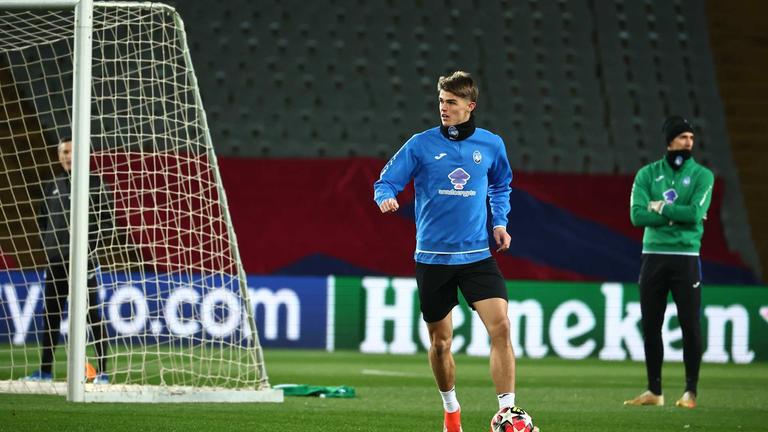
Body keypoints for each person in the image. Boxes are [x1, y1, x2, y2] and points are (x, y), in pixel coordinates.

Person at [374, 71, 532, 432]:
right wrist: (385, 197)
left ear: (469, 106)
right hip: (433, 259)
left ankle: (507, 411)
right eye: (441, 101)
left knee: (502, 327)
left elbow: (502, 185)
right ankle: (451, 411)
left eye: (451, 102)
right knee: (441, 344)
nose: (443, 108)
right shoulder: (420, 144)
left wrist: (500, 223)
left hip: (478, 255)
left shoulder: (491, 144)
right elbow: (386, 180)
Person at [625, 116, 714, 409]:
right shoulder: (647, 175)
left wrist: (662, 207)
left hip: (686, 256)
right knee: (651, 324)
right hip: (653, 256)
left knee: (690, 324)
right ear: (669, 141)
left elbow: (695, 214)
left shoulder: (703, 176)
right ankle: (655, 391)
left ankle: (690, 391)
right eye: (683, 137)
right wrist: (679, 214)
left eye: (691, 137)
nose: (689, 142)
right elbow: (637, 216)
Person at [22, 137, 113, 384]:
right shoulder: (52, 184)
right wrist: (50, 249)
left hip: (84, 262)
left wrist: (89, 250)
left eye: (72, 151)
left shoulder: (95, 184)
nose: (67, 156)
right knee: (50, 314)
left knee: (91, 314)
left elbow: (107, 223)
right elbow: (43, 222)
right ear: (58, 155)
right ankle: (45, 371)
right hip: (56, 263)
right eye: (63, 152)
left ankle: (103, 371)